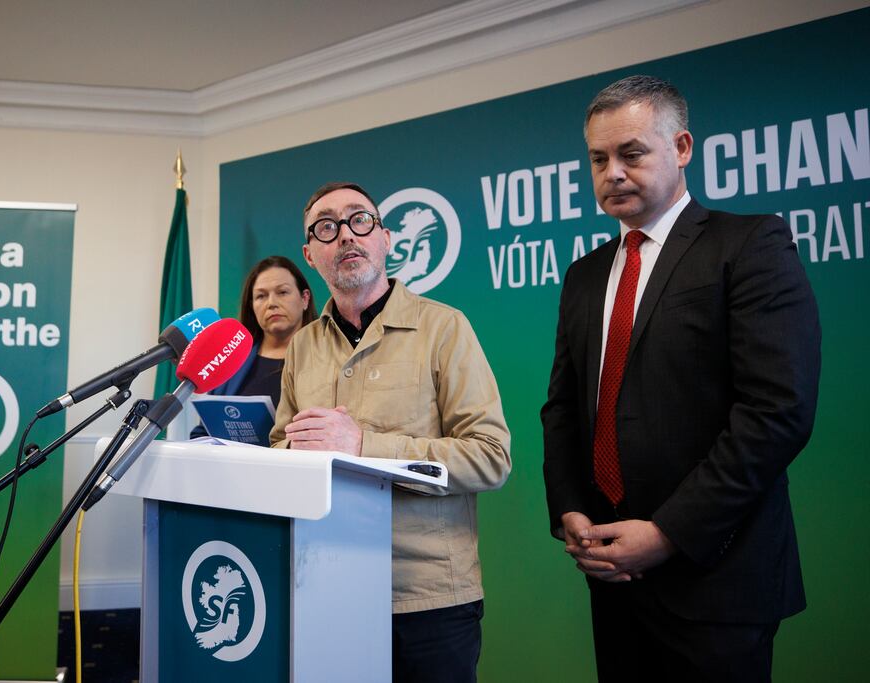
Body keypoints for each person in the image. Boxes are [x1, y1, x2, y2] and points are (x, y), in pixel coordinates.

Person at [540, 75, 821, 682]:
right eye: (598, 158)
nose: (612, 172)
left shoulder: (747, 244)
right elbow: (563, 407)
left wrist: (668, 532)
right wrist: (569, 511)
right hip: (612, 574)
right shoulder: (584, 275)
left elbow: (777, 411)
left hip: (717, 578)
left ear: (682, 147)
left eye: (631, 153)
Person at [269, 181, 511, 682]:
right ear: (310, 254)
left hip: (427, 599)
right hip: (325, 590)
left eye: (360, 220)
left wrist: (363, 447)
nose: (346, 236)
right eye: (327, 227)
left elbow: (490, 457)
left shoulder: (446, 329)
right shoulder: (302, 346)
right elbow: (282, 444)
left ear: (386, 238)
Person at [191, 255, 316, 438]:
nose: (271, 303)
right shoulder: (230, 360)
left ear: (304, 299)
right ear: (252, 306)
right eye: (261, 296)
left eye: (282, 292)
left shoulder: (326, 356)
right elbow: (204, 432)